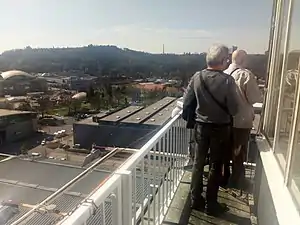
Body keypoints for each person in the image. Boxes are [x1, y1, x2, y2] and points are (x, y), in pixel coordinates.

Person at [183, 44, 239, 216]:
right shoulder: (228, 81)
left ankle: (195, 199)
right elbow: (234, 109)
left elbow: (187, 104)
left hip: (200, 127)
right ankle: (211, 204)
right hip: (220, 129)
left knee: (198, 164)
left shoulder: (197, 77)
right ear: (223, 60)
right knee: (216, 166)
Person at [224, 49, 262, 189]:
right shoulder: (246, 75)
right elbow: (255, 98)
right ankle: (237, 181)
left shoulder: (223, 74)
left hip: (224, 121)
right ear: (243, 60)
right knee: (238, 153)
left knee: (224, 151)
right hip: (241, 121)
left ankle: (224, 178)